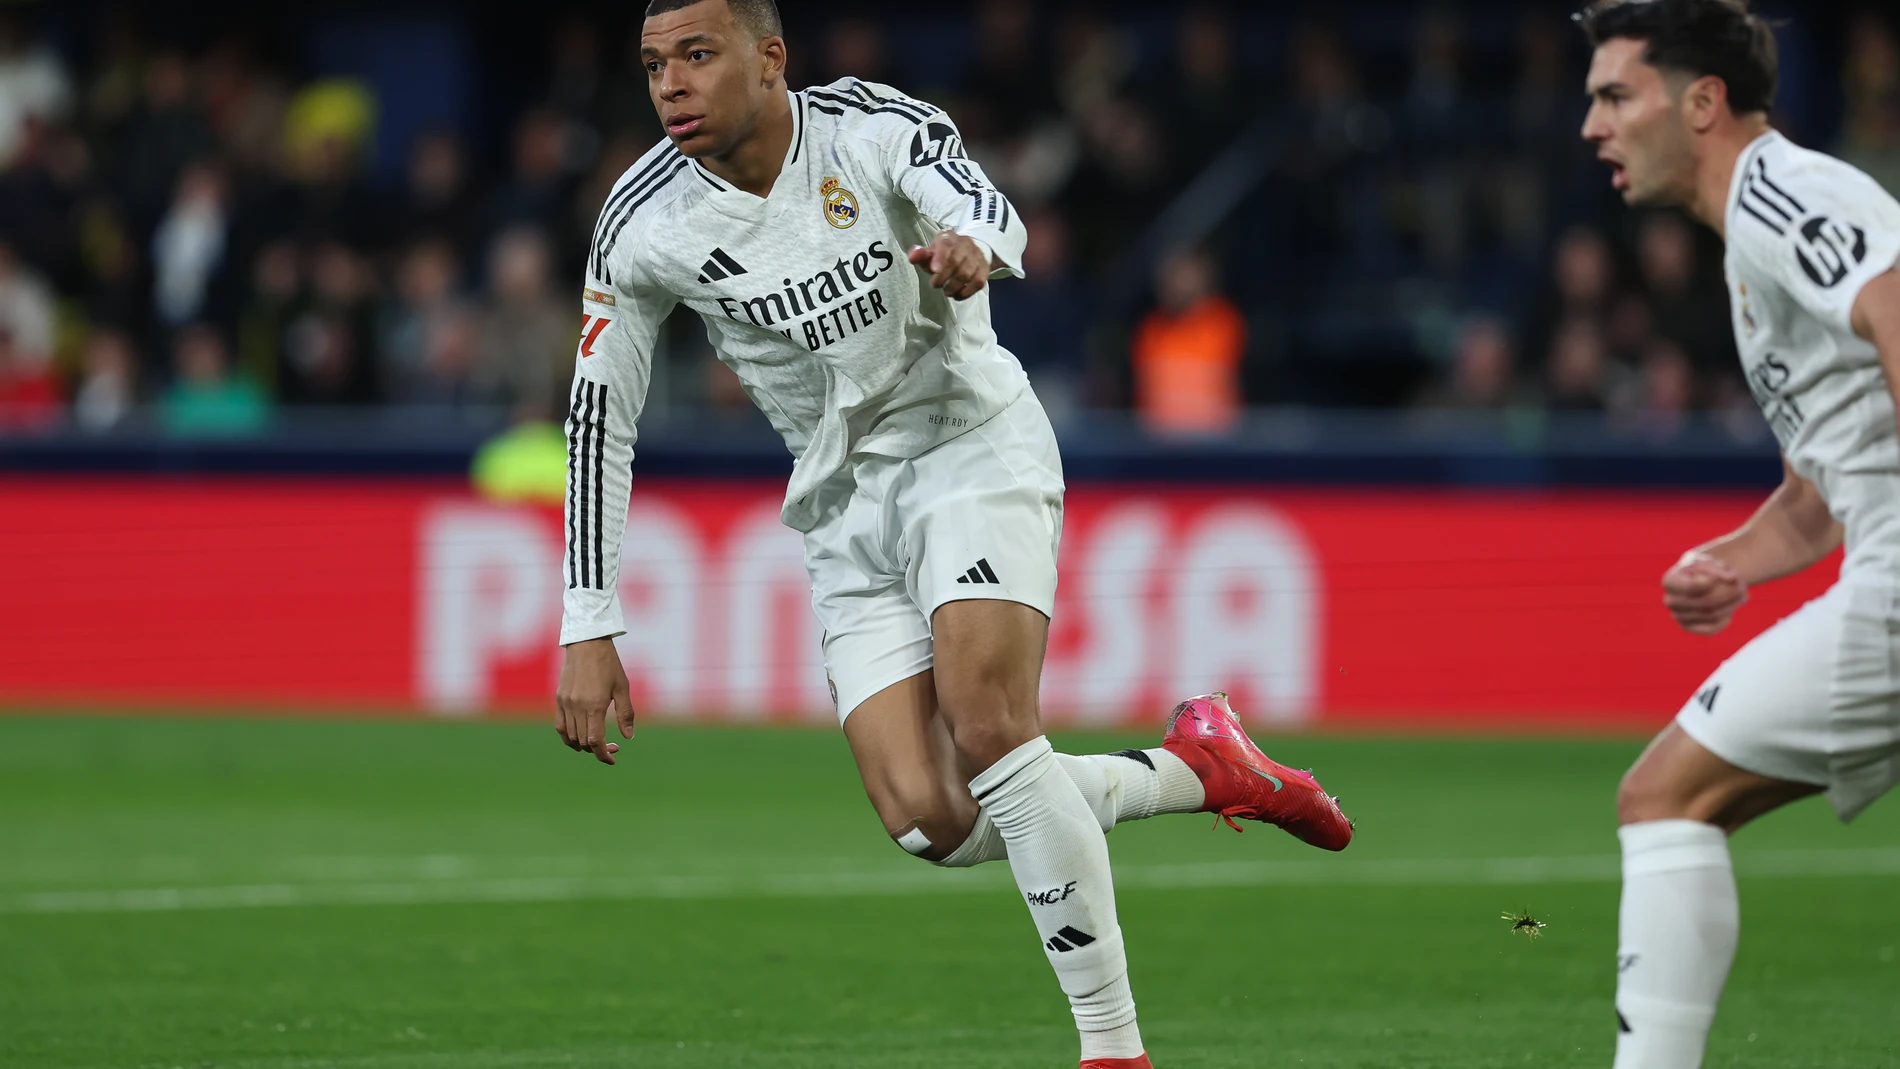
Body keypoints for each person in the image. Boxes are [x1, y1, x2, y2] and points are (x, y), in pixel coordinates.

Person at [551, 4, 1355, 1068]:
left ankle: (1112, 1047)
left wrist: (978, 249)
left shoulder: (868, 130)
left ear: (770, 58)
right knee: (934, 821)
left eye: (699, 56)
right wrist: (588, 618)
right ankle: (1198, 766)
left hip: (968, 445)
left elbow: (974, 198)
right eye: (655, 65)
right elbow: (601, 412)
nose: (672, 86)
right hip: (841, 506)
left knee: (989, 722)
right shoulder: (641, 219)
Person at [1578, 2, 1900, 1066]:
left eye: (1616, 95)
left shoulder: (1780, 192)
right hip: (1873, 557)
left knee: (1666, 794)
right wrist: (1733, 560)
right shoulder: (1746, 246)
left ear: (1702, 102)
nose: (1593, 125)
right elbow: (1820, 489)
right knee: (1677, 795)